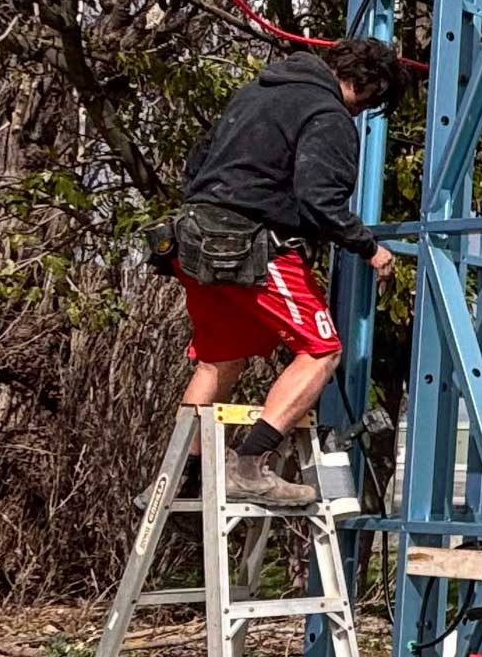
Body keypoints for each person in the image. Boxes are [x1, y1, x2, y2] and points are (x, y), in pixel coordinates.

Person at [172, 39, 407, 504]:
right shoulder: (327, 114)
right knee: (321, 351)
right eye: (368, 104)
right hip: (251, 245)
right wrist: (369, 248)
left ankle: (183, 475)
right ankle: (248, 466)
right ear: (366, 86)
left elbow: (196, 163)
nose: (361, 113)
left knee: (221, 357)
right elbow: (319, 199)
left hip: (194, 238)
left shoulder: (255, 92)